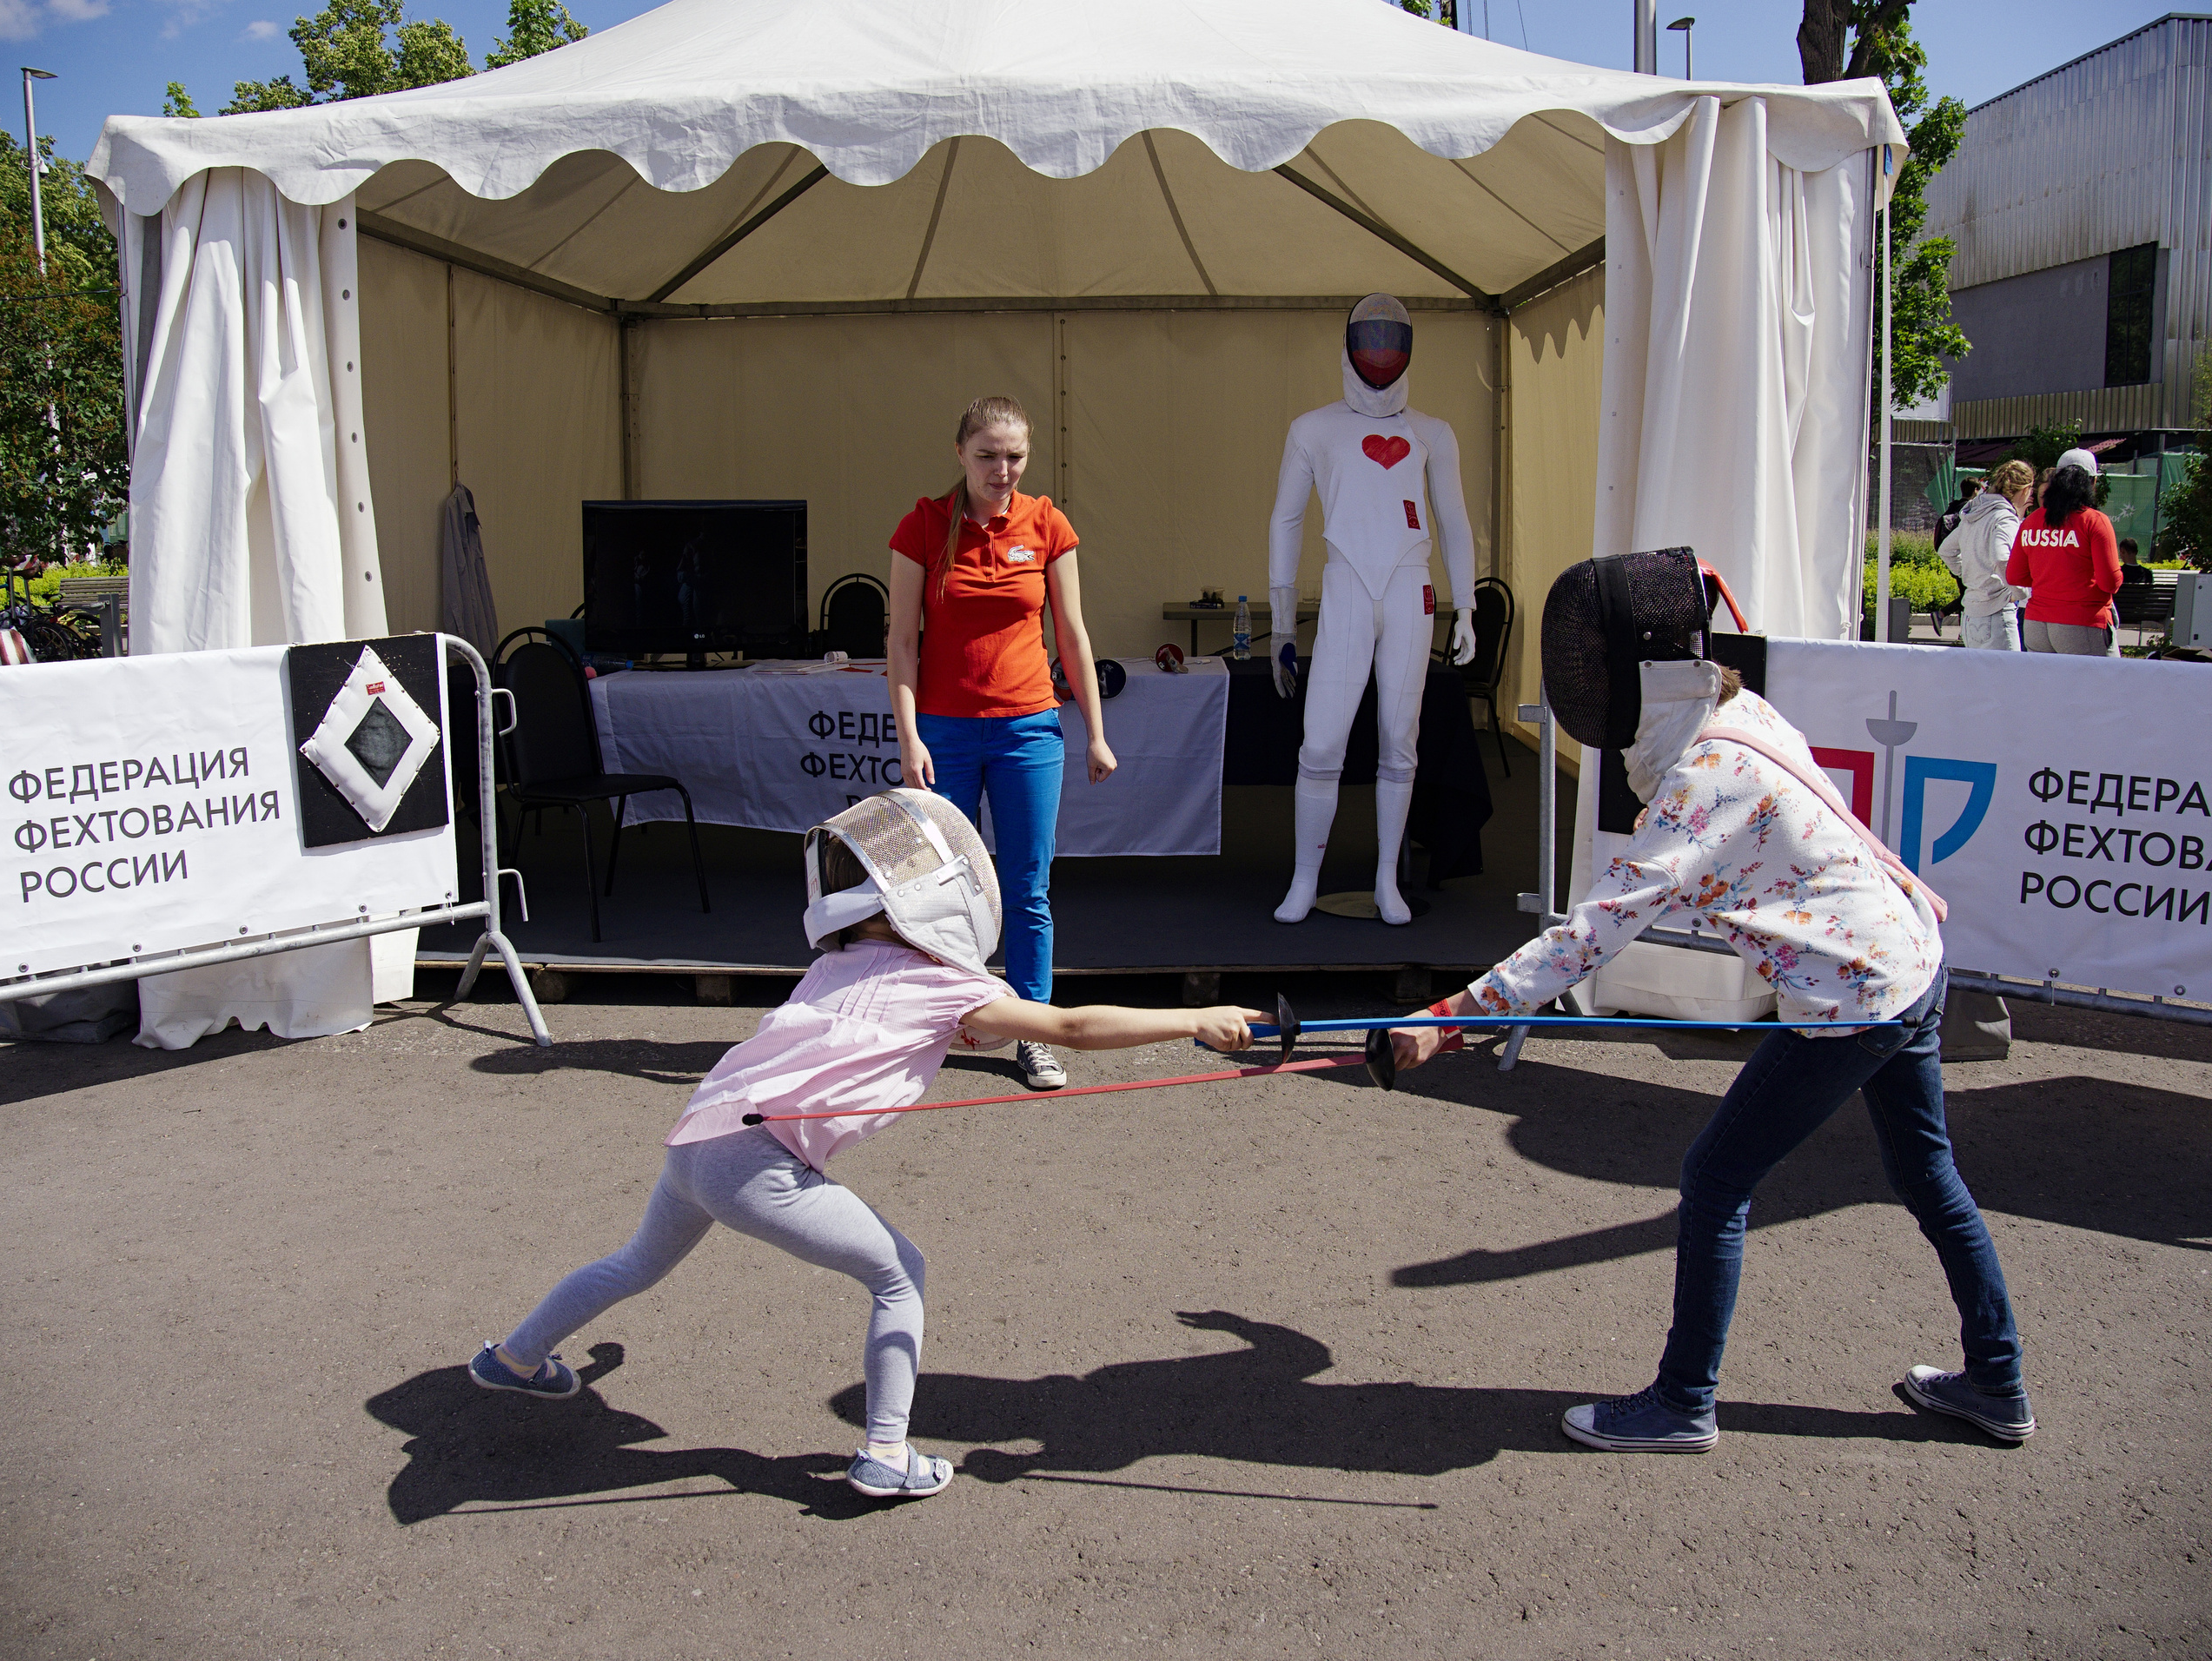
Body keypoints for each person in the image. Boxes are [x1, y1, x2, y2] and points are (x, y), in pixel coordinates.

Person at [1393, 550, 2032, 1454]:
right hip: (1912, 961)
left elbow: (1588, 934)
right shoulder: (1736, 710)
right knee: (1926, 1176)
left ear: (1635, 670)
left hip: (1852, 999)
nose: (1582, 676)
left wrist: (1451, 1014)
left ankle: (1683, 1400)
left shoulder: (1700, 781)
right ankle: (1998, 1382)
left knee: (1714, 1178)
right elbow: (1831, 812)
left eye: (1593, 658)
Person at [468, 789, 1265, 1500]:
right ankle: (887, 1452)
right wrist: (1194, 1020)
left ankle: (515, 1358)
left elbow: (878, 1033)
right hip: (760, 1161)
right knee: (900, 1274)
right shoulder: (954, 986)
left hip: (697, 1137)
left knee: (636, 1263)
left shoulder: (834, 963)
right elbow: (1069, 1026)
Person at [887, 396, 1117, 1092]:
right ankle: (936, 1024)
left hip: (1028, 731)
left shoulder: (1047, 523)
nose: (1002, 469)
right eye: (987, 455)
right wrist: (909, 738)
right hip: (945, 734)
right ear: (960, 454)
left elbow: (1072, 636)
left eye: (1014, 456)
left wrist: (1097, 735)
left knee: (1026, 887)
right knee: (938, 891)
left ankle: (1031, 1030)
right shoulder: (923, 525)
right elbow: (900, 642)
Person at [1268, 294, 1477, 926]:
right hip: (1347, 588)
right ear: (1349, 345)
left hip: (1411, 588)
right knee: (1323, 740)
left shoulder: (1433, 433)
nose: (1381, 353)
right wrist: (1280, 621)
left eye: (1393, 340)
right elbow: (1287, 519)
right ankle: (1305, 879)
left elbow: (1455, 521)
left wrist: (1465, 605)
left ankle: (1388, 881)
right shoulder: (1313, 429)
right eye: (1371, 339)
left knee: (1399, 740)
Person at [2007, 447, 2121, 657]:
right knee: (2098, 688)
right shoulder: (2095, 521)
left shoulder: (2032, 521)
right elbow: (2110, 583)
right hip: (2083, 623)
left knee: (2047, 688)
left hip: (2036, 625)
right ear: (2092, 482)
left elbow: (2014, 575)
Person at [1937, 459, 2032, 651]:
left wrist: (1968, 574)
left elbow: (1946, 551)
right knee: (2008, 678)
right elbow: (2001, 557)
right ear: (2024, 489)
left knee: (1979, 679)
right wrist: (2020, 592)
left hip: (1971, 614)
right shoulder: (2005, 517)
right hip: (1996, 612)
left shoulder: (1974, 515)